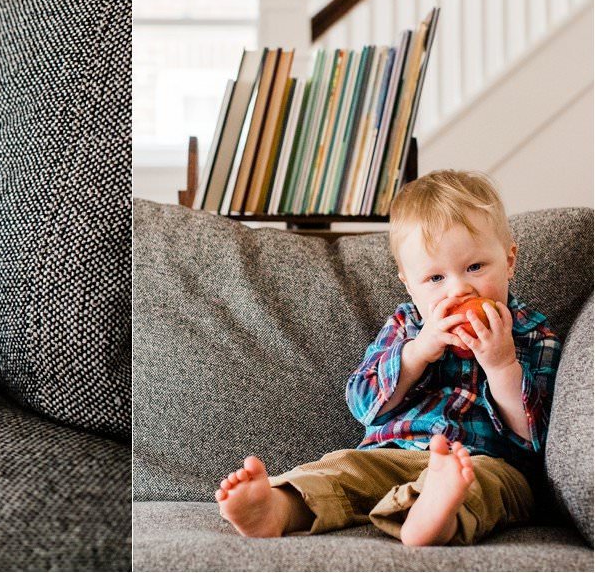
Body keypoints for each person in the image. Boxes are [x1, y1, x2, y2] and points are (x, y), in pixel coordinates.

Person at [214, 170, 563, 546]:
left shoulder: (533, 335)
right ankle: (279, 506)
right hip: (394, 452)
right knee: (344, 468)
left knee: (485, 486)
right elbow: (363, 404)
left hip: (485, 461)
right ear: (408, 283)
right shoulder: (407, 326)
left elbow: (534, 437)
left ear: (509, 260)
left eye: (475, 267)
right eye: (435, 279)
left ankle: (435, 515)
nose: (459, 289)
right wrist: (418, 352)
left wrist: (500, 365)